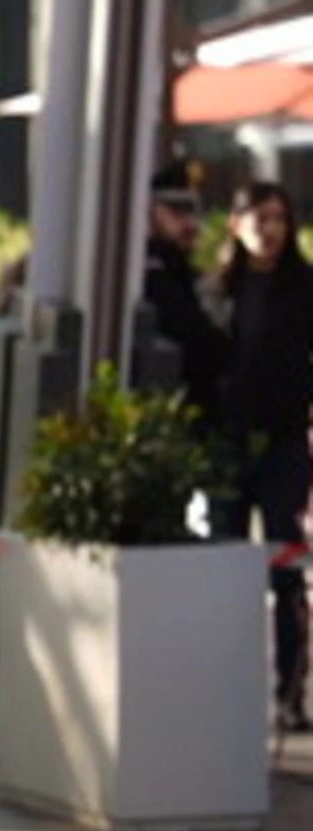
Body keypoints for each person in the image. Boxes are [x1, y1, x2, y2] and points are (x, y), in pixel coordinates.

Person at [212, 180, 313, 732]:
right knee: (225, 567)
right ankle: (226, 690)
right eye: (258, 218)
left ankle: (289, 693)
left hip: (285, 443)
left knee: (286, 569)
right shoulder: (218, 290)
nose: (268, 229)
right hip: (228, 445)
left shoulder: (303, 286)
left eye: (278, 218)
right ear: (236, 224)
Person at [145, 159, 228, 429]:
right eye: (177, 212)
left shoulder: (181, 270)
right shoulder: (152, 272)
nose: (191, 224)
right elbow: (202, 345)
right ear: (150, 212)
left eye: (194, 212)